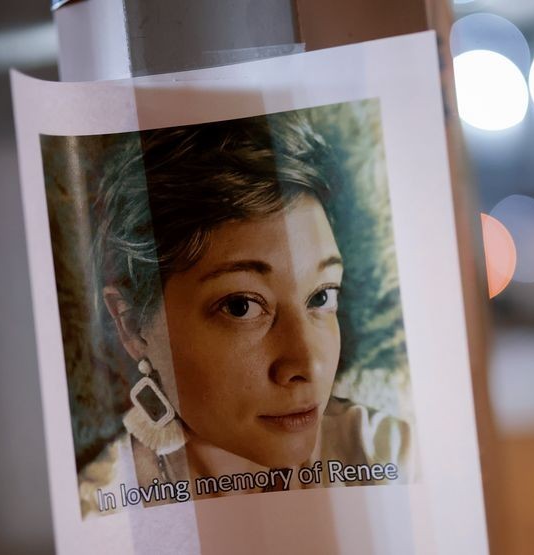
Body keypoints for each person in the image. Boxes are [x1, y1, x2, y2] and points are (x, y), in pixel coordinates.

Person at [78, 111, 412, 516]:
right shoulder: (100, 511)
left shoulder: (394, 460)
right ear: (132, 326)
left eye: (321, 297)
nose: (308, 363)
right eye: (241, 306)